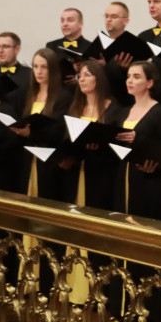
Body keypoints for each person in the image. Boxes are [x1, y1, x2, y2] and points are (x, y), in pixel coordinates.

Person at [8, 48, 71, 200]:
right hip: (27, 158)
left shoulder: (62, 96)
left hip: (49, 163)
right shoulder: (29, 95)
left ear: (53, 70)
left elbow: (59, 131)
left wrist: (31, 133)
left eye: (44, 67)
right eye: (35, 66)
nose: (39, 71)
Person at [114, 60, 161, 221]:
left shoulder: (160, 113)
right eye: (128, 76)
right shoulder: (123, 111)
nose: (130, 81)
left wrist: (139, 140)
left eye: (136, 77)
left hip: (148, 181)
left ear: (150, 83)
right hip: (123, 175)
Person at [61, 60, 122, 211]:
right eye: (79, 76)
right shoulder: (76, 107)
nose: (81, 79)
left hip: (102, 175)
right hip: (76, 172)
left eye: (87, 75)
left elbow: (118, 144)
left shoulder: (113, 109)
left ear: (99, 78)